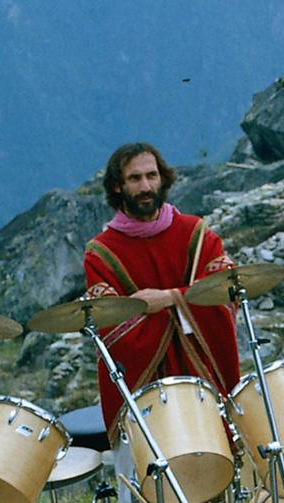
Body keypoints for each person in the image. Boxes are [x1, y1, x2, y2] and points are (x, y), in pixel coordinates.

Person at [83, 142, 242, 469]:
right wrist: (185, 301)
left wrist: (167, 299)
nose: (145, 187)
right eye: (135, 178)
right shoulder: (101, 253)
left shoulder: (195, 234)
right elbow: (111, 327)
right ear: (118, 186)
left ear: (163, 179)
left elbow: (224, 291)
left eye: (152, 176)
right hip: (145, 389)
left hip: (200, 378)